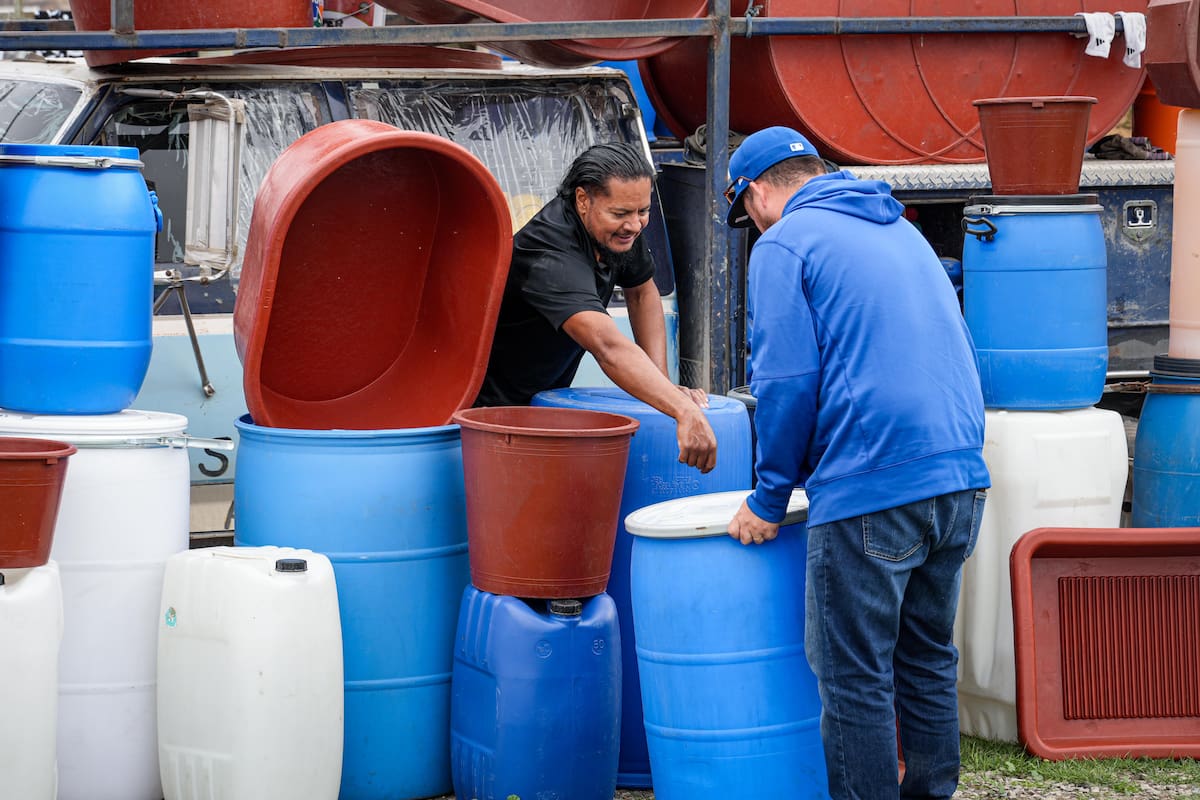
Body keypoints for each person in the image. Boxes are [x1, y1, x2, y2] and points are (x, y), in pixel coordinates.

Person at [724, 126, 991, 800]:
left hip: (874, 483)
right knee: (927, 657)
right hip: (959, 474)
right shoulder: (901, 229)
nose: (751, 226)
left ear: (757, 191)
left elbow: (785, 377)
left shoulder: (786, 241)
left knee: (854, 676)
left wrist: (768, 495)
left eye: (745, 212)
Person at [475, 142, 717, 474]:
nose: (634, 225)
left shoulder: (618, 228)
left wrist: (662, 383)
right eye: (621, 214)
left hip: (545, 401)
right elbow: (606, 346)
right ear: (583, 200)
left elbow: (642, 292)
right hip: (491, 415)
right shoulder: (550, 253)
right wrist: (682, 409)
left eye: (642, 211)